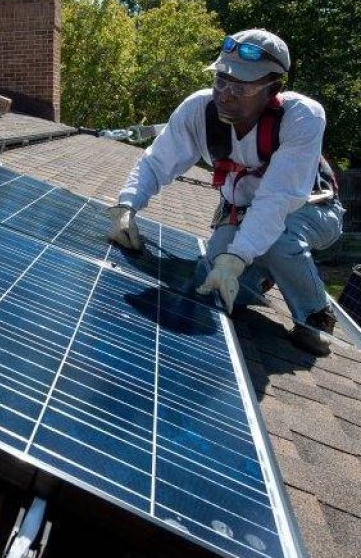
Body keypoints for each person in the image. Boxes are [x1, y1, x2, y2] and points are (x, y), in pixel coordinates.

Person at [108, 29, 344, 356]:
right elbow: (157, 161)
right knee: (211, 284)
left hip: (311, 210)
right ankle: (264, 272)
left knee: (276, 238)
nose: (225, 94)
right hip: (245, 211)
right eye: (221, 80)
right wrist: (127, 205)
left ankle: (316, 316)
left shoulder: (302, 117)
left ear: (273, 88)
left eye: (240, 86)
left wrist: (239, 257)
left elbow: (277, 199)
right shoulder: (199, 110)